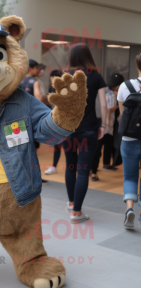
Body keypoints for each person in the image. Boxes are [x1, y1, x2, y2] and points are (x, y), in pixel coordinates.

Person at [63, 43, 107, 223]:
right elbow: (103, 104)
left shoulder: (65, 74)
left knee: (70, 167)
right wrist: (103, 125)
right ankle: (77, 212)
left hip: (67, 129)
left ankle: (72, 203)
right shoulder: (96, 75)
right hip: (89, 129)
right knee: (83, 171)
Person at [117, 52, 141, 228]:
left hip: (129, 138)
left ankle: (130, 210)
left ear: (137, 65)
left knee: (130, 177)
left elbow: (121, 116)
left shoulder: (125, 86)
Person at [19, 59, 48, 185]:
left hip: (16, 121)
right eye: (37, 68)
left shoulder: (17, 81)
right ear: (32, 68)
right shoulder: (35, 81)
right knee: (31, 151)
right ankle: (33, 178)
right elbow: (39, 97)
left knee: (18, 150)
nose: (38, 71)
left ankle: (20, 178)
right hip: (29, 121)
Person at [91, 73, 124, 181]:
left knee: (102, 148)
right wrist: (106, 123)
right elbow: (108, 109)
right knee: (98, 149)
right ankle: (93, 172)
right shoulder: (110, 94)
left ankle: (99, 167)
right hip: (105, 125)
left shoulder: (104, 91)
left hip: (104, 125)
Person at [45, 69, 63, 175]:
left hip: (64, 122)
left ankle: (79, 167)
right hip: (56, 121)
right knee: (58, 144)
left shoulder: (61, 88)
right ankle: (54, 166)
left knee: (69, 145)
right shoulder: (52, 88)